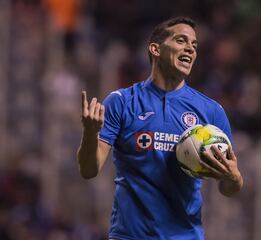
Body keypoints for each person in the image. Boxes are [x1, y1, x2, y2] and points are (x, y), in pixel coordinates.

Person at [77, 16, 243, 240]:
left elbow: (228, 188)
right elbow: (89, 170)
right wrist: (90, 133)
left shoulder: (211, 112)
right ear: (155, 49)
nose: (190, 49)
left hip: (185, 236)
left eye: (194, 45)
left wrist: (234, 179)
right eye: (181, 41)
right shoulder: (121, 102)